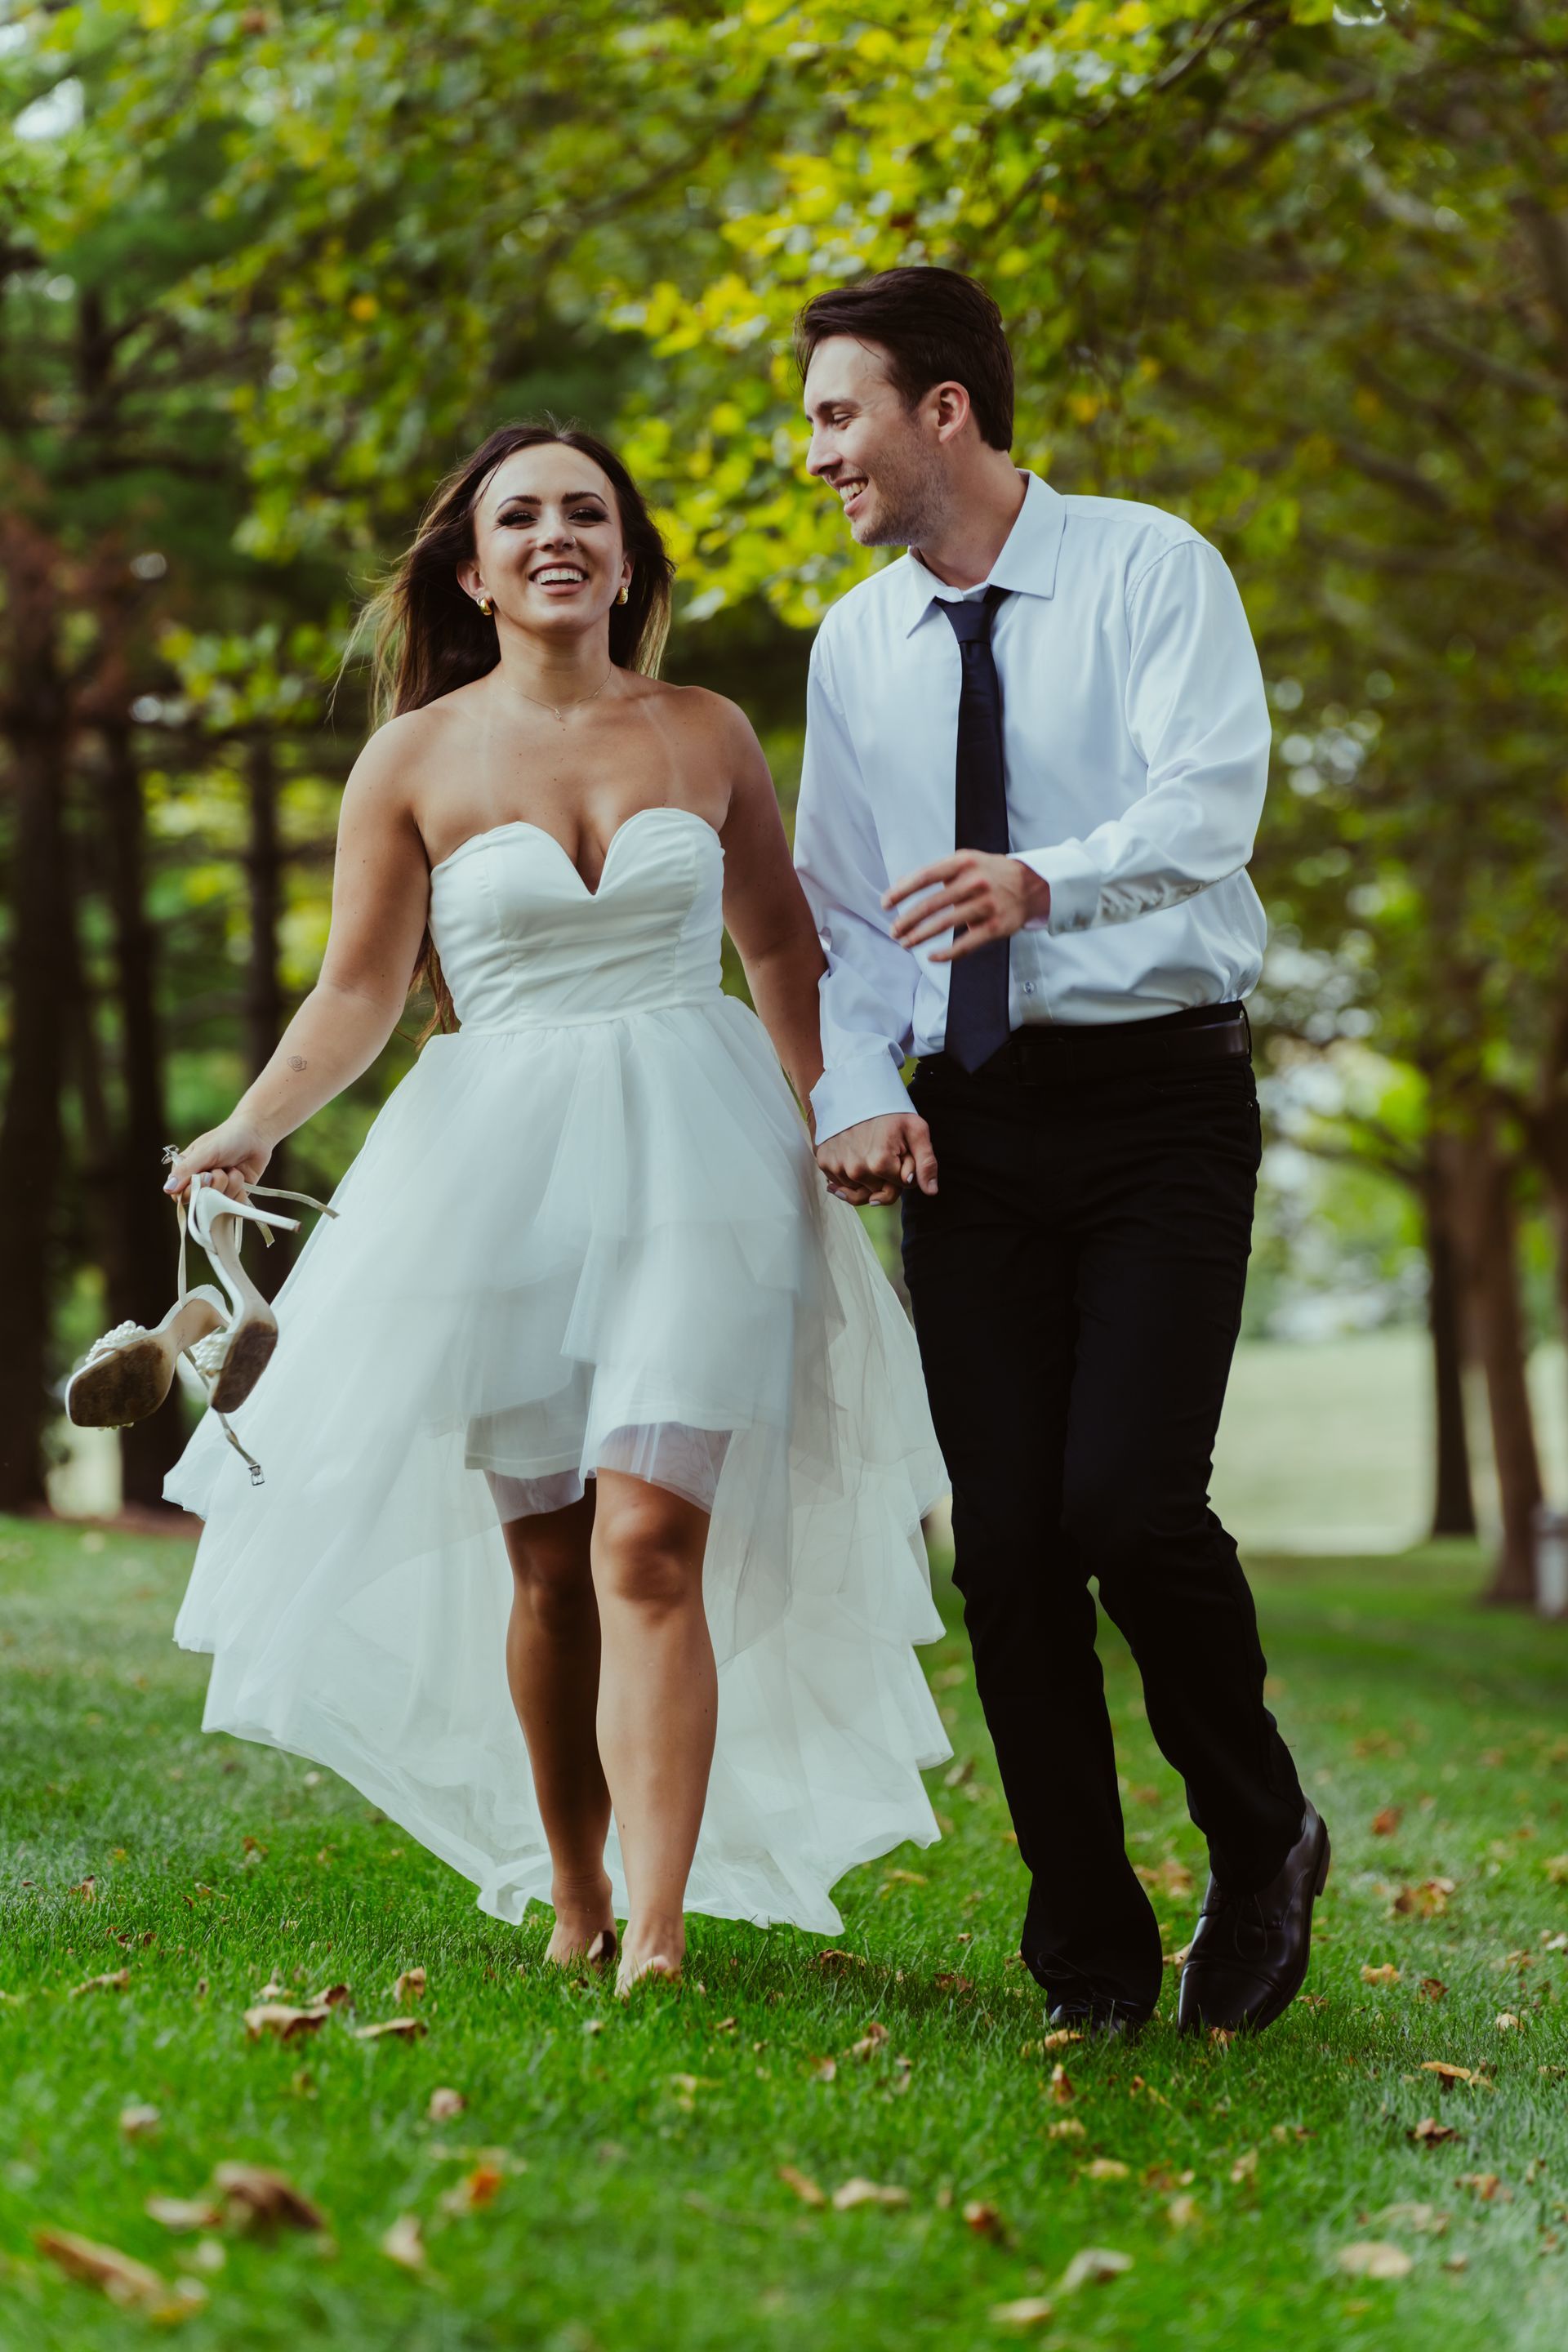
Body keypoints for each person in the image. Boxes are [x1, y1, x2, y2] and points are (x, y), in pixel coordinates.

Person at [159, 421, 949, 1996]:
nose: (555, 534)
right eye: (520, 516)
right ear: (475, 567)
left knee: (651, 1540)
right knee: (547, 1560)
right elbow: (360, 990)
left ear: (628, 556)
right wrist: (249, 1128)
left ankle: (658, 1935)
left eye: (588, 511)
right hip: (497, 1177)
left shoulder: (709, 732)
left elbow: (783, 950)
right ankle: (576, 1890)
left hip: (699, 1168)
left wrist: (837, 1104)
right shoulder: (416, 758)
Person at [792, 267, 1327, 2038]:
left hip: (1161, 1099)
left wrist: (1046, 881)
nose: (819, 457)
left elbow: (1212, 797)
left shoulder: (1151, 568)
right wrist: (854, 1091)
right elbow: (844, 921)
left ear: (943, 409)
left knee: (1126, 1507)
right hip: (972, 1126)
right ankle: (1085, 1936)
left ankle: (1264, 1848)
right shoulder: (856, 643)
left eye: (837, 413)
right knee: (1008, 1546)